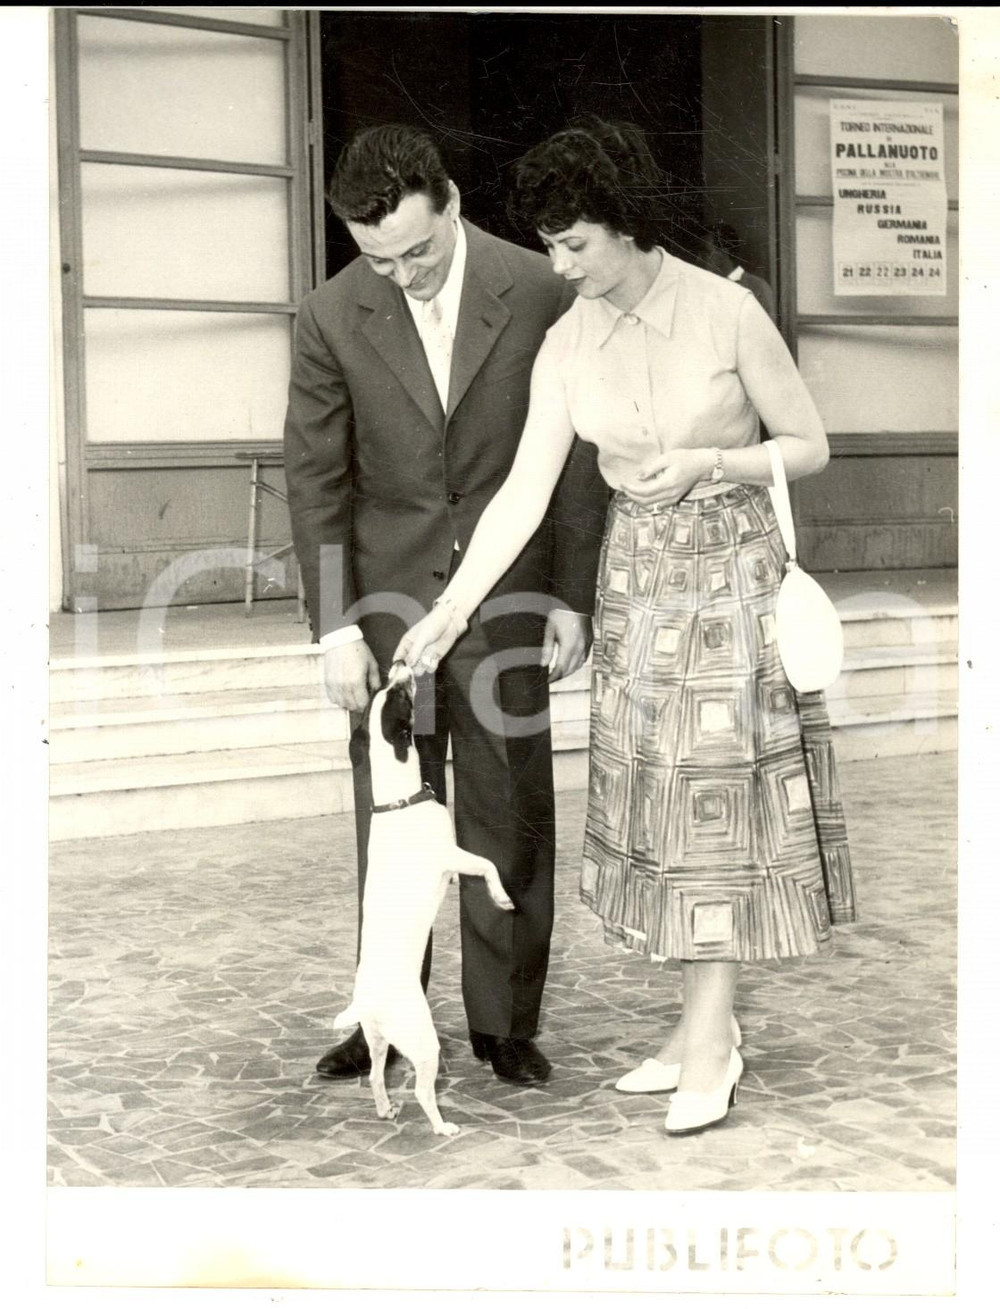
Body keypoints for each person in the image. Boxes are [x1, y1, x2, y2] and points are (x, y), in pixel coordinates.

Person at [397, 119, 856, 1136]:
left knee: (714, 807)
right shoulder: (570, 338)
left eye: (577, 246)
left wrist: (712, 464)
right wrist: (447, 610)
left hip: (730, 573)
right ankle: (704, 1026)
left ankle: (706, 1041)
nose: (562, 267)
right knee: (655, 806)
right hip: (639, 583)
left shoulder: (725, 311)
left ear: (628, 228)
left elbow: (810, 444)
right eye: (551, 247)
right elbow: (522, 490)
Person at [283, 124, 607, 1086]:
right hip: (387, 607)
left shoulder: (542, 290)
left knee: (508, 811)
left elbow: (579, 465)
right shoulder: (331, 315)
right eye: (378, 259)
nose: (404, 277)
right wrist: (336, 625)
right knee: (391, 820)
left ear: (453, 203)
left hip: (508, 597)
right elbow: (316, 480)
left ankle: (505, 1022)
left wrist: (570, 597)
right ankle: (385, 1002)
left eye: (418, 252)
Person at [700, 221, 777, 321]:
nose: (699, 258)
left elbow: (767, 333)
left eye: (706, 252)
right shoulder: (704, 287)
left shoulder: (758, 287)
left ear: (724, 252)